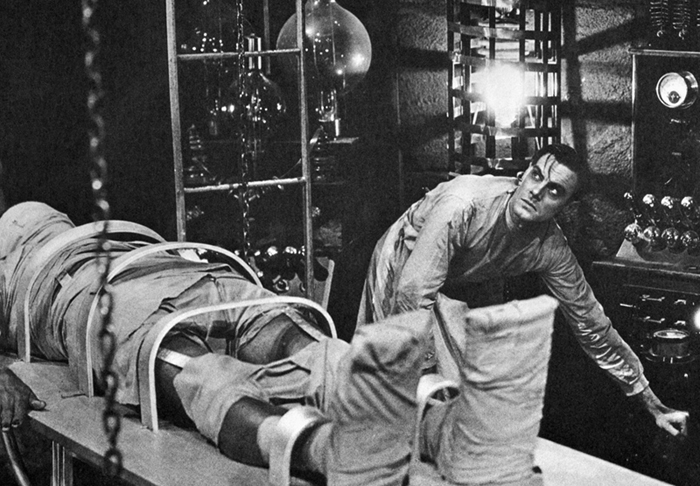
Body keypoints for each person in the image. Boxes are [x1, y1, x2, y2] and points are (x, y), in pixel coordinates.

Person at [0, 201, 557, 485]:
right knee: (297, 344)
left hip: (106, 298)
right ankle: (441, 426)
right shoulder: (70, 235)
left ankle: (326, 450)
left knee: (196, 373)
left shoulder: (22, 265)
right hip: (190, 270)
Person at [357, 143, 689, 438]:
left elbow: (592, 324)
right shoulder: (463, 205)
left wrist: (652, 403)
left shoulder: (550, 247)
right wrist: (424, 375)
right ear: (522, 176)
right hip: (403, 260)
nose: (537, 192)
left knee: (467, 397)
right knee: (401, 388)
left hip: (457, 281)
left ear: (564, 206)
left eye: (554, 191)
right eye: (536, 176)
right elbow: (412, 293)